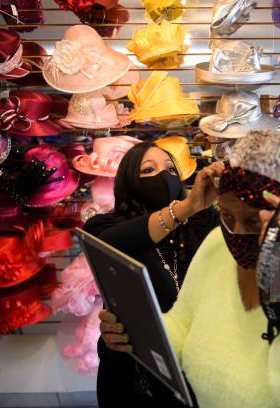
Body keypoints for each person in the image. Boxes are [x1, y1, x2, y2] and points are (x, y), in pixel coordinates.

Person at [99, 130, 280, 407]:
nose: (236, 232)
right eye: (226, 215)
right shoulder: (217, 242)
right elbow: (183, 324)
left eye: (252, 221)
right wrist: (134, 332)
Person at [83, 141, 219, 406]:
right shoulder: (104, 227)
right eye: (149, 169)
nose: (163, 175)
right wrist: (187, 206)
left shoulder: (205, 224)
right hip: (136, 374)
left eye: (170, 168)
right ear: (130, 182)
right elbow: (110, 245)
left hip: (198, 370)